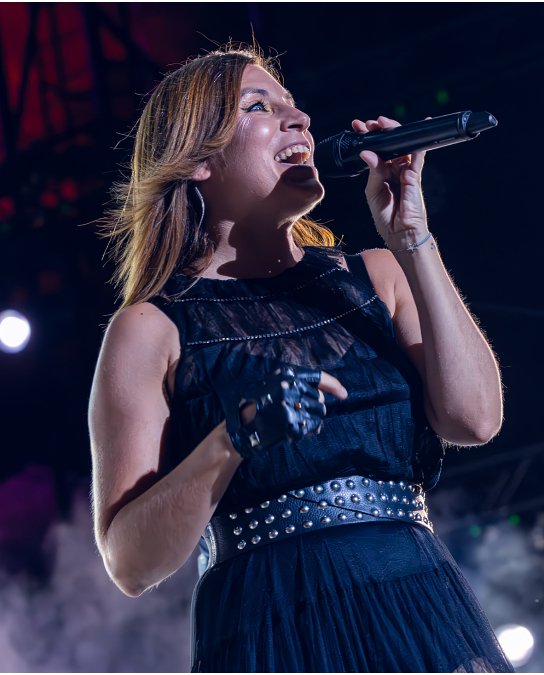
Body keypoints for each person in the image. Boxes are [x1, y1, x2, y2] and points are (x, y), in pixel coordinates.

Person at [89, 45, 513, 672]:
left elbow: (475, 420)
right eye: (260, 107)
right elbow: (130, 563)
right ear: (199, 160)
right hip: (273, 623)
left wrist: (412, 237)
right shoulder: (151, 330)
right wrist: (232, 439)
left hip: (415, 604)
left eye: (294, 105)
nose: (301, 120)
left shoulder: (376, 275)